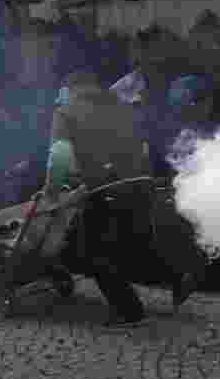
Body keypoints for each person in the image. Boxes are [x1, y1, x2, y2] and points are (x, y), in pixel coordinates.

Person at [44, 70, 191, 328]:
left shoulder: (65, 112)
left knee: (95, 253)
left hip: (105, 190)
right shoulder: (121, 106)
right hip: (140, 186)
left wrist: (52, 193)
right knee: (132, 248)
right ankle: (176, 275)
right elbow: (141, 145)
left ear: (70, 89)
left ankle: (129, 312)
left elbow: (60, 156)